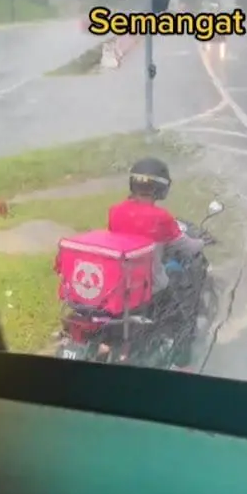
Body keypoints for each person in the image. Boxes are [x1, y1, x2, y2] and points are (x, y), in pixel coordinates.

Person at [107, 157, 206, 368]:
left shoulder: (115, 211)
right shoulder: (161, 217)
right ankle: (183, 364)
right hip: (150, 288)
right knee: (181, 322)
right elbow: (187, 247)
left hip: (118, 286)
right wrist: (201, 243)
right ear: (161, 188)